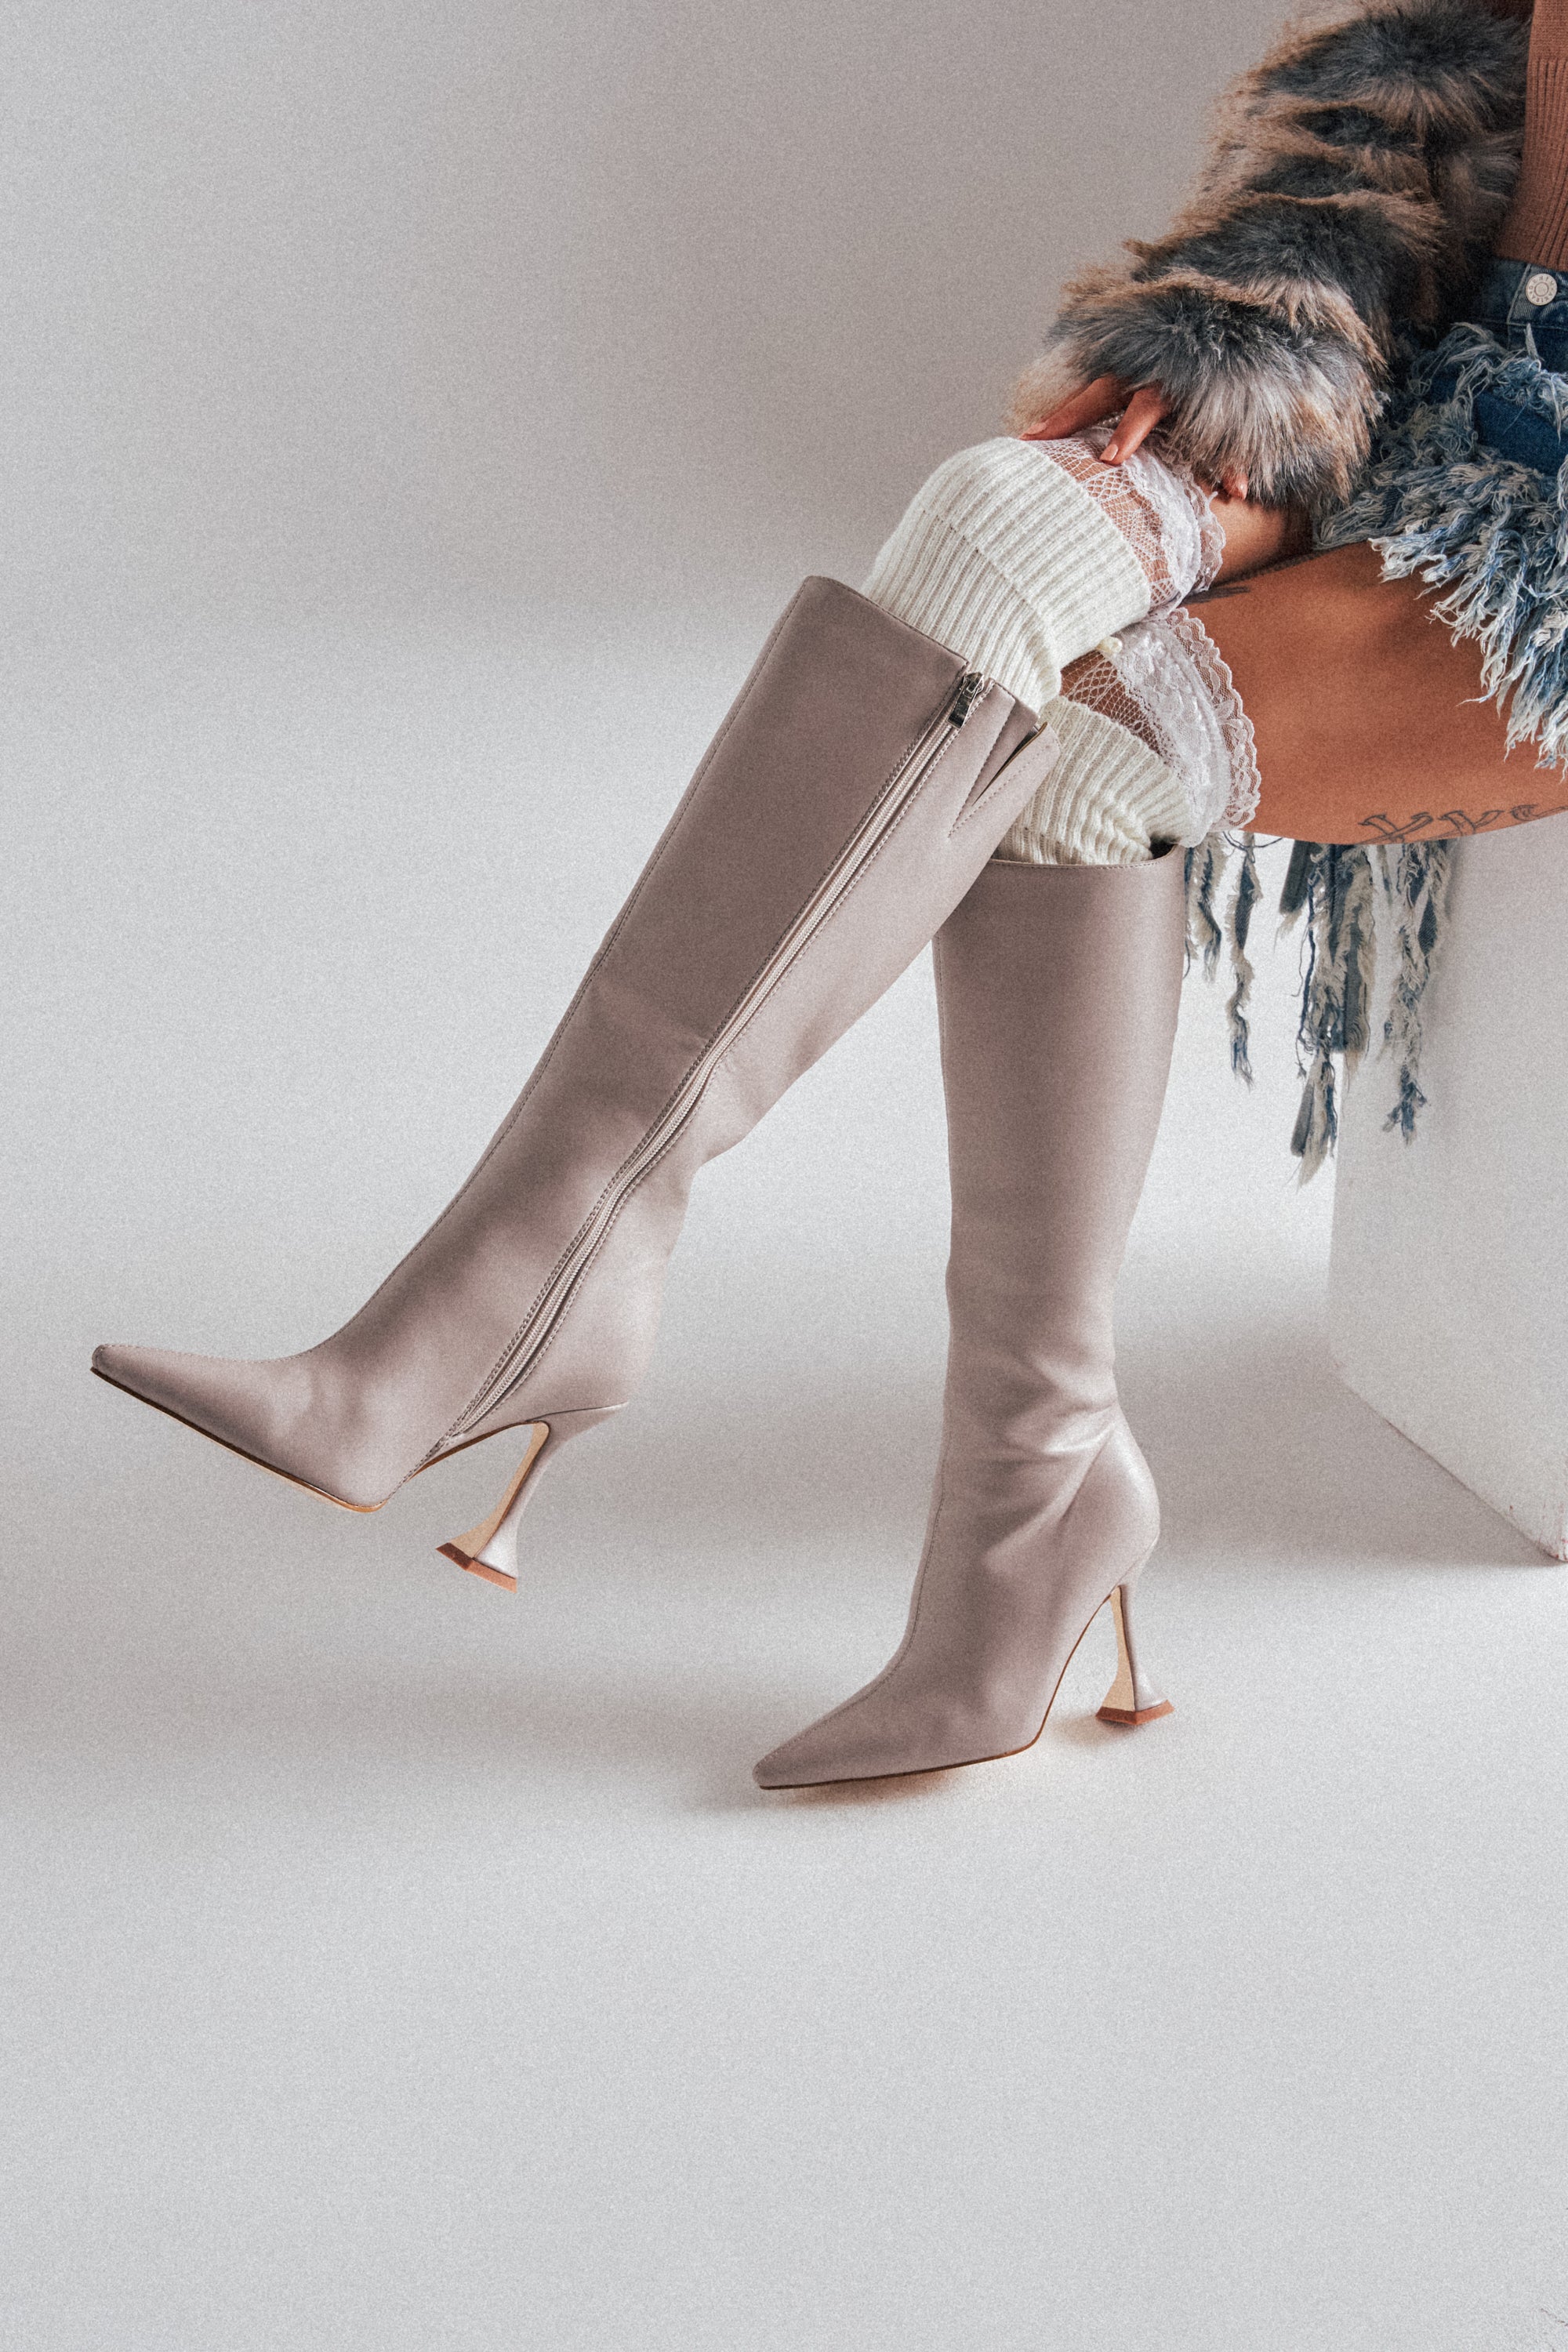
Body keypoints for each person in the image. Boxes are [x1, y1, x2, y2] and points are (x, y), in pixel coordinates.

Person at [92, 0, 1566, 1791]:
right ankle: (561, 1256)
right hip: (1442, 393)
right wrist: (1257, 334)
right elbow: (1427, 87)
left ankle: (1002, 1469)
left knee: (1088, 758)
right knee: (990, 527)